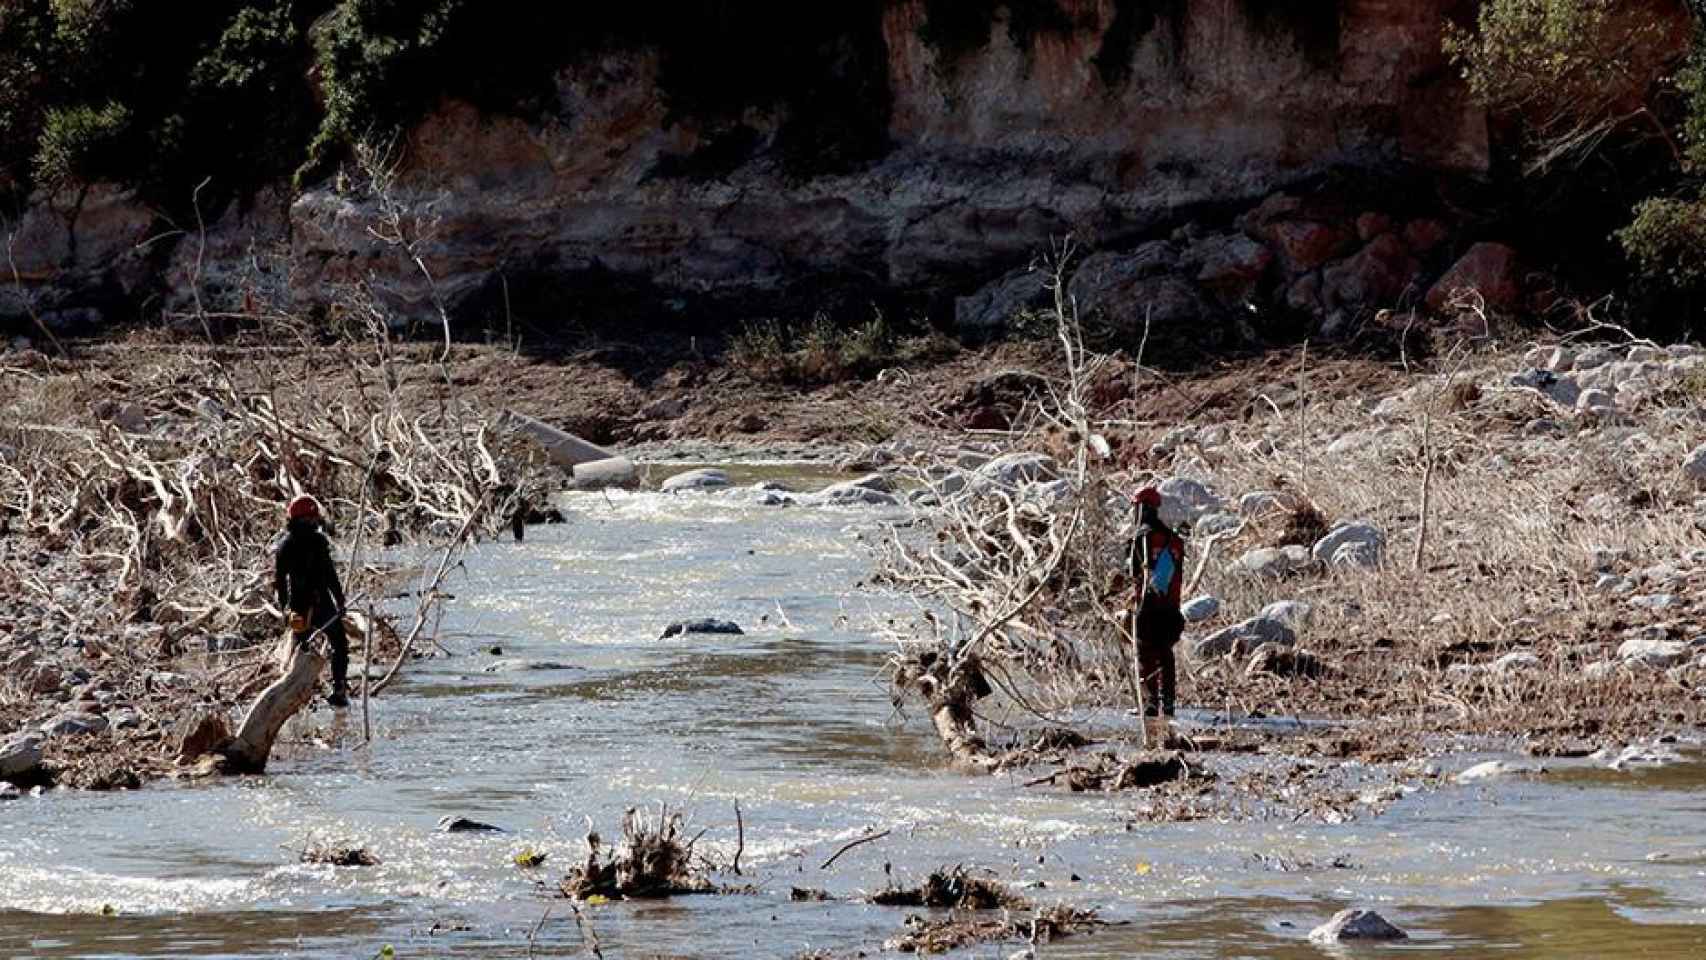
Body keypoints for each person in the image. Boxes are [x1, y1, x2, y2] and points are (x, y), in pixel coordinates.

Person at [275, 494, 350, 708]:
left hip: (305, 604)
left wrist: (285, 609)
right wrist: (340, 600)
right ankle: (337, 689)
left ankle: (310, 694)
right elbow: (329, 573)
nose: (316, 522)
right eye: (312, 518)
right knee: (337, 645)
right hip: (312, 604)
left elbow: (280, 583)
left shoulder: (287, 545)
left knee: (308, 650)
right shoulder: (305, 543)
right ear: (304, 519)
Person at [1129, 486, 1185, 723]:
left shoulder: (1140, 537)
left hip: (1148, 607)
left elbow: (1133, 573)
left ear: (1142, 508)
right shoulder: (1175, 540)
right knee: (1166, 654)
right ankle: (1169, 705)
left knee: (1145, 653)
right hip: (1171, 607)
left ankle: (1151, 706)